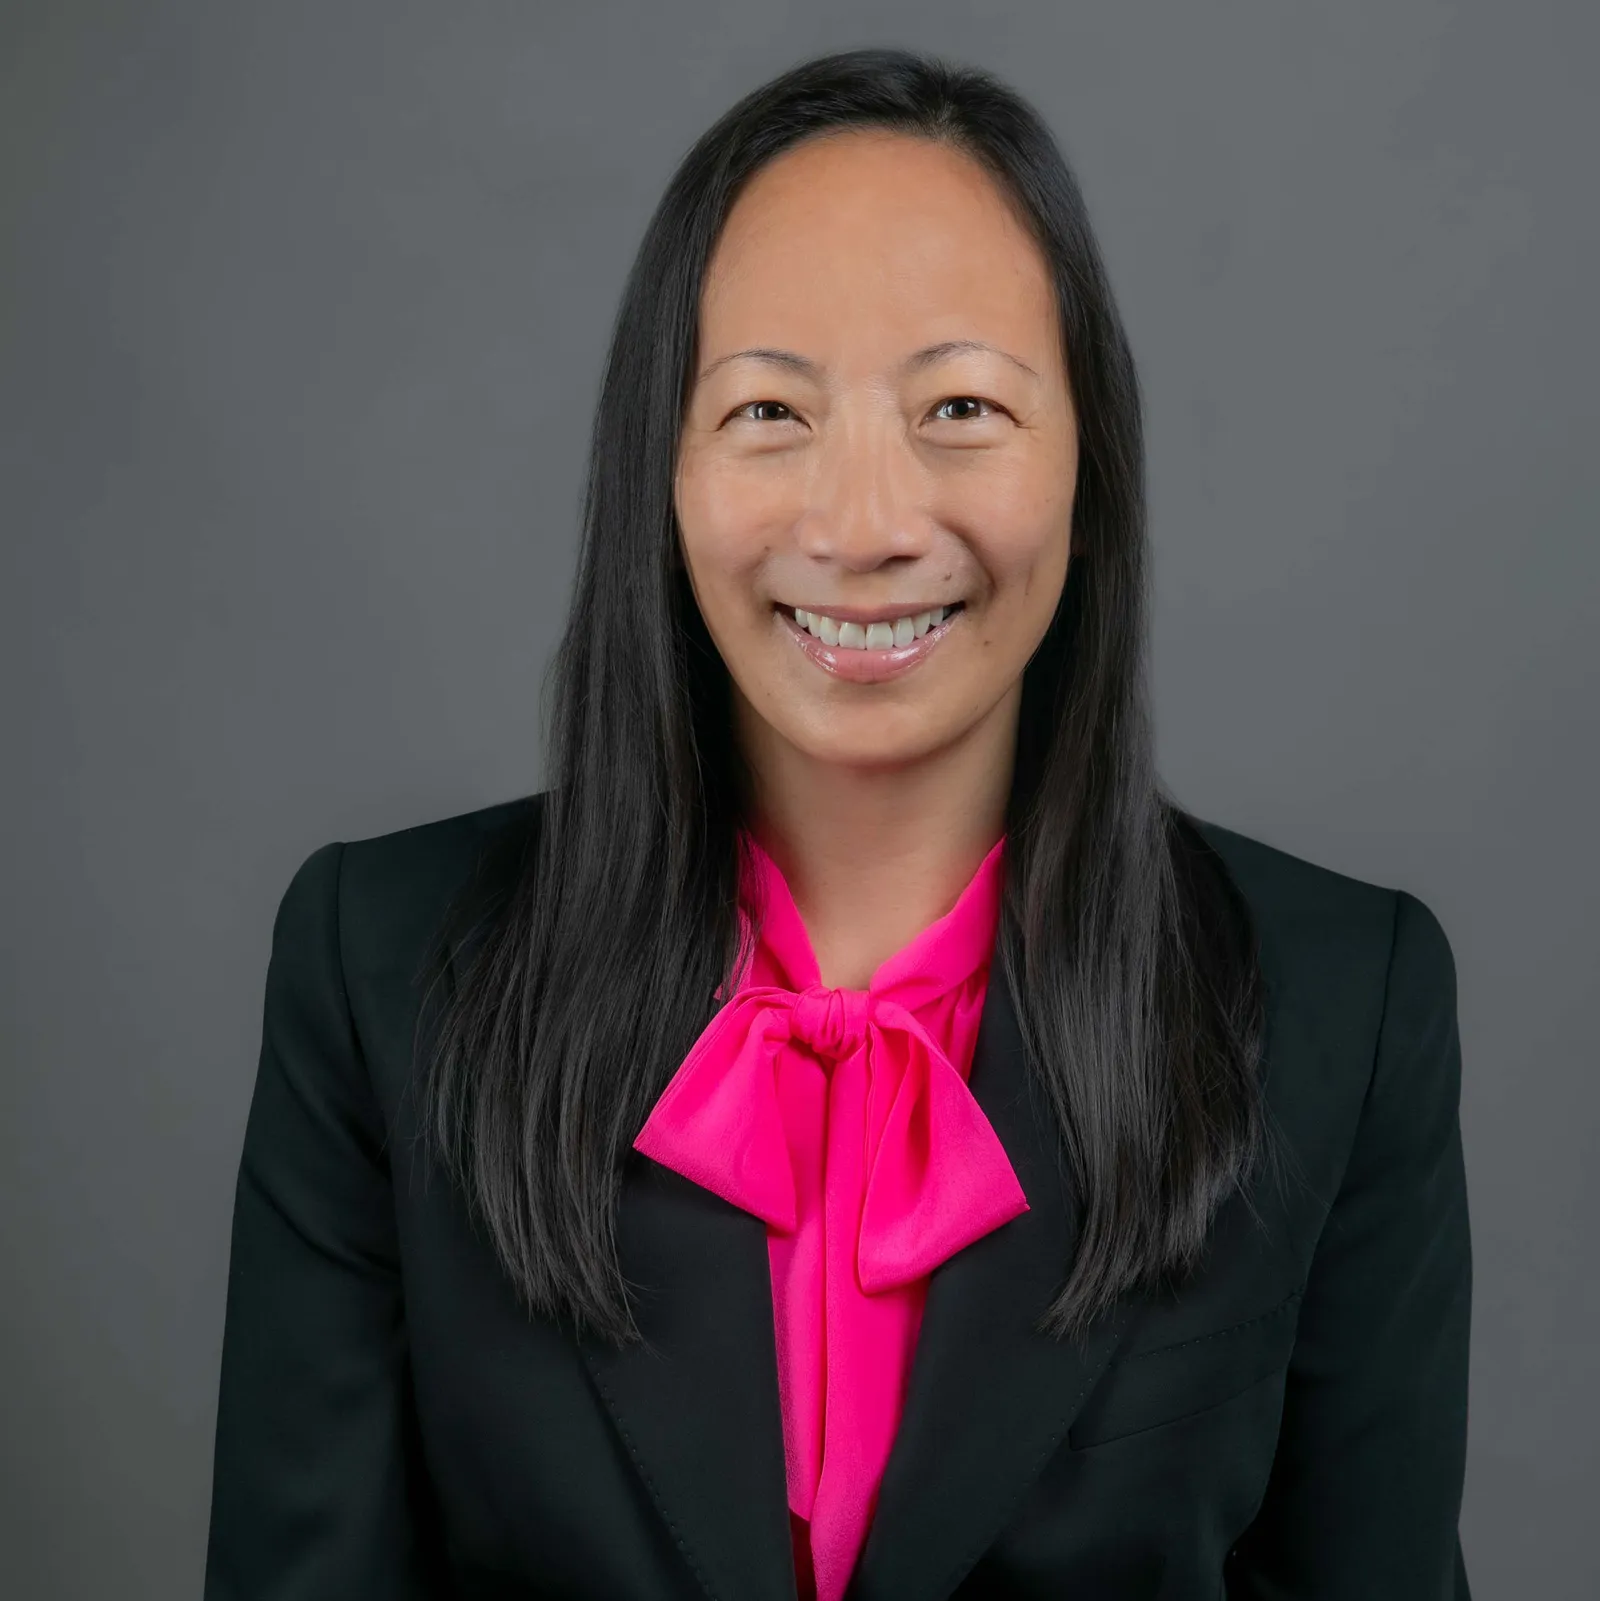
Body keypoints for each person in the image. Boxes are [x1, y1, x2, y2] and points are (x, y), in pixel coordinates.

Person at [204, 46, 1473, 1601]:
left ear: (1090, 459)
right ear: (658, 470)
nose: (866, 525)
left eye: (960, 405)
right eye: (766, 412)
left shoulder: (1348, 1006)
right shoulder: (377, 977)